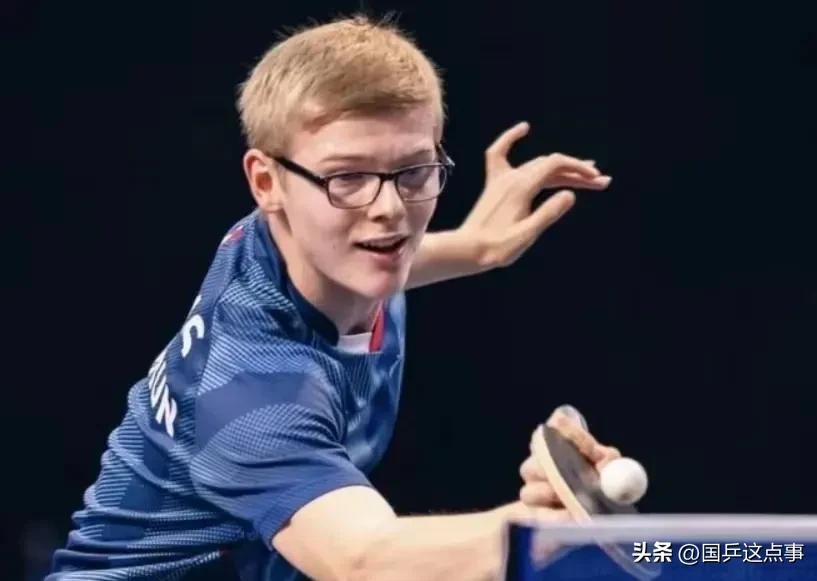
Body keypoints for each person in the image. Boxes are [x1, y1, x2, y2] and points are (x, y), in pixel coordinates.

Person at [48, 13, 620, 581]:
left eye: (414, 171)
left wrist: (474, 247)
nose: (389, 210)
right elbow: (364, 559)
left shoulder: (294, 247)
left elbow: (382, 252)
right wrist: (542, 532)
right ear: (266, 183)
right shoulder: (250, 390)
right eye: (347, 177)